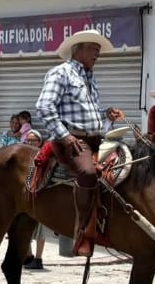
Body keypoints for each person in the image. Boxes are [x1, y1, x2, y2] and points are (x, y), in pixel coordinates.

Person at [35, 29, 124, 258]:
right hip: (72, 141)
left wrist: (106, 115)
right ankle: (82, 233)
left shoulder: (90, 77)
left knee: (125, 164)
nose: (98, 54)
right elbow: (44, 106)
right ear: (79, 49)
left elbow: (90, 114)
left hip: (94, 138)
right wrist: (65, 136)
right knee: (88, 173)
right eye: (94, 49)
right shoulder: (61, 73)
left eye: (98, 50)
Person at [23, 129, 49, 270]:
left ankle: (38, 259)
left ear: (39, 142)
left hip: (39, 197)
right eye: (28, 140)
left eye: (33, 140)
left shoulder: (43, 155)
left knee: (39, 231)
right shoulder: (23, 155)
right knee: (23, 229)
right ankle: (28, 256)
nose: (30, 142)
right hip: (26, 197)